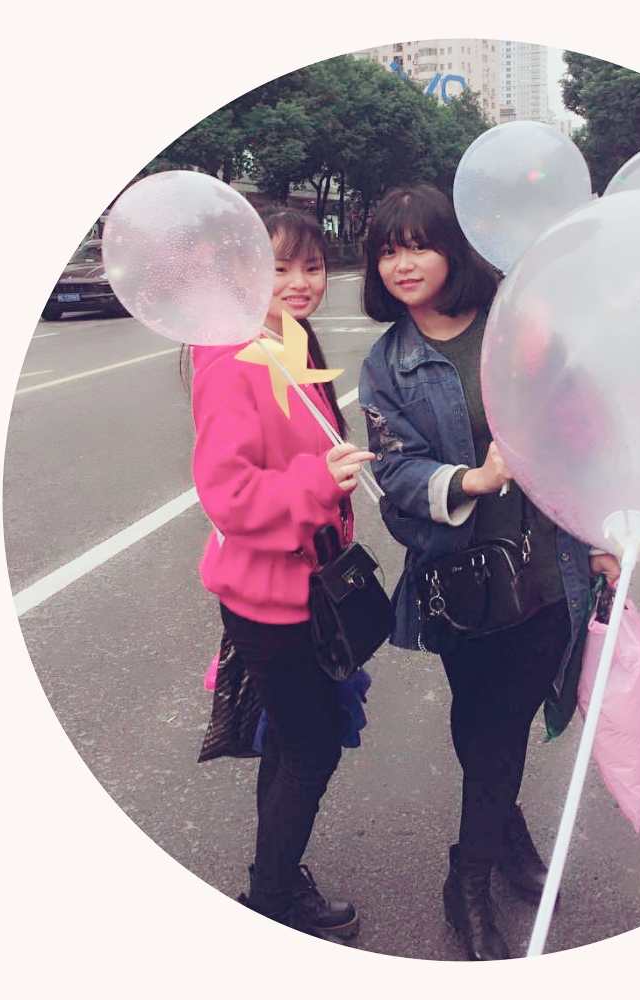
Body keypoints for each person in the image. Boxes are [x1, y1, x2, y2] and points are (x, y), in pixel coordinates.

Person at [358, 185, 619, 961]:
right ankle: (502, 837)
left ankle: (467, 876)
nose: (404, 264)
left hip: (549, 567)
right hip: (462, 582)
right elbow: (395, 474)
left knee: (501, 722)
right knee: (481, 718)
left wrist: (600, 531)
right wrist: (471, 479)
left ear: (453, 248)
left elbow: (580, 432)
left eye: (419, 245)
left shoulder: (517, 324)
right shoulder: (389, 365)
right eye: (388, 251)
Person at [191, 209, 374, 936]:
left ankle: (273, 875)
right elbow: (230, 496)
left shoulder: (288, 344)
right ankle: (269, 900)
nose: (300, 283)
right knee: (311, 746)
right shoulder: (231, 360)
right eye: (279, 269)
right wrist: (318, 482)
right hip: (269, 600)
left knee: (296, 741)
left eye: (313, 267)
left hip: (306, 585)